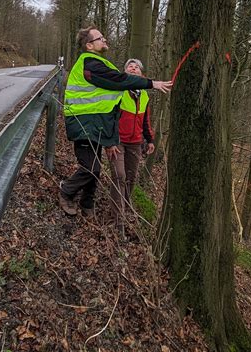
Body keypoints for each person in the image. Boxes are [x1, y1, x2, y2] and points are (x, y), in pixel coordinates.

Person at [59, 27, 172, 218]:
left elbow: (113, 105)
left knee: (94, 166)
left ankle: (87, 204)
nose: (104, 40)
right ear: (89, 45)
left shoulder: (100, 63)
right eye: (100, 38)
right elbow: (118, 80)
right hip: (82, 122)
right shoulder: (90, 63)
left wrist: (114, 138)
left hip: (95, 122)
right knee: (91, 167)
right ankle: (66, 191)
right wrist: (152, 83)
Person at [108, 59, 155, 221]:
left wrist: (150, 140)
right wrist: (111, 141)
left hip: (135, 143)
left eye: (137, 68)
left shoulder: (144, 95)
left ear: (142, 74)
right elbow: (109, 118)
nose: (133, 69)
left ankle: (126, 207)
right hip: (117, 142)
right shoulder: (118, 91)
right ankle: (117, 216)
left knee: (131, 177)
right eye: (130, 67)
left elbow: (146, 120)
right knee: (119, 176)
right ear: (125, 72)